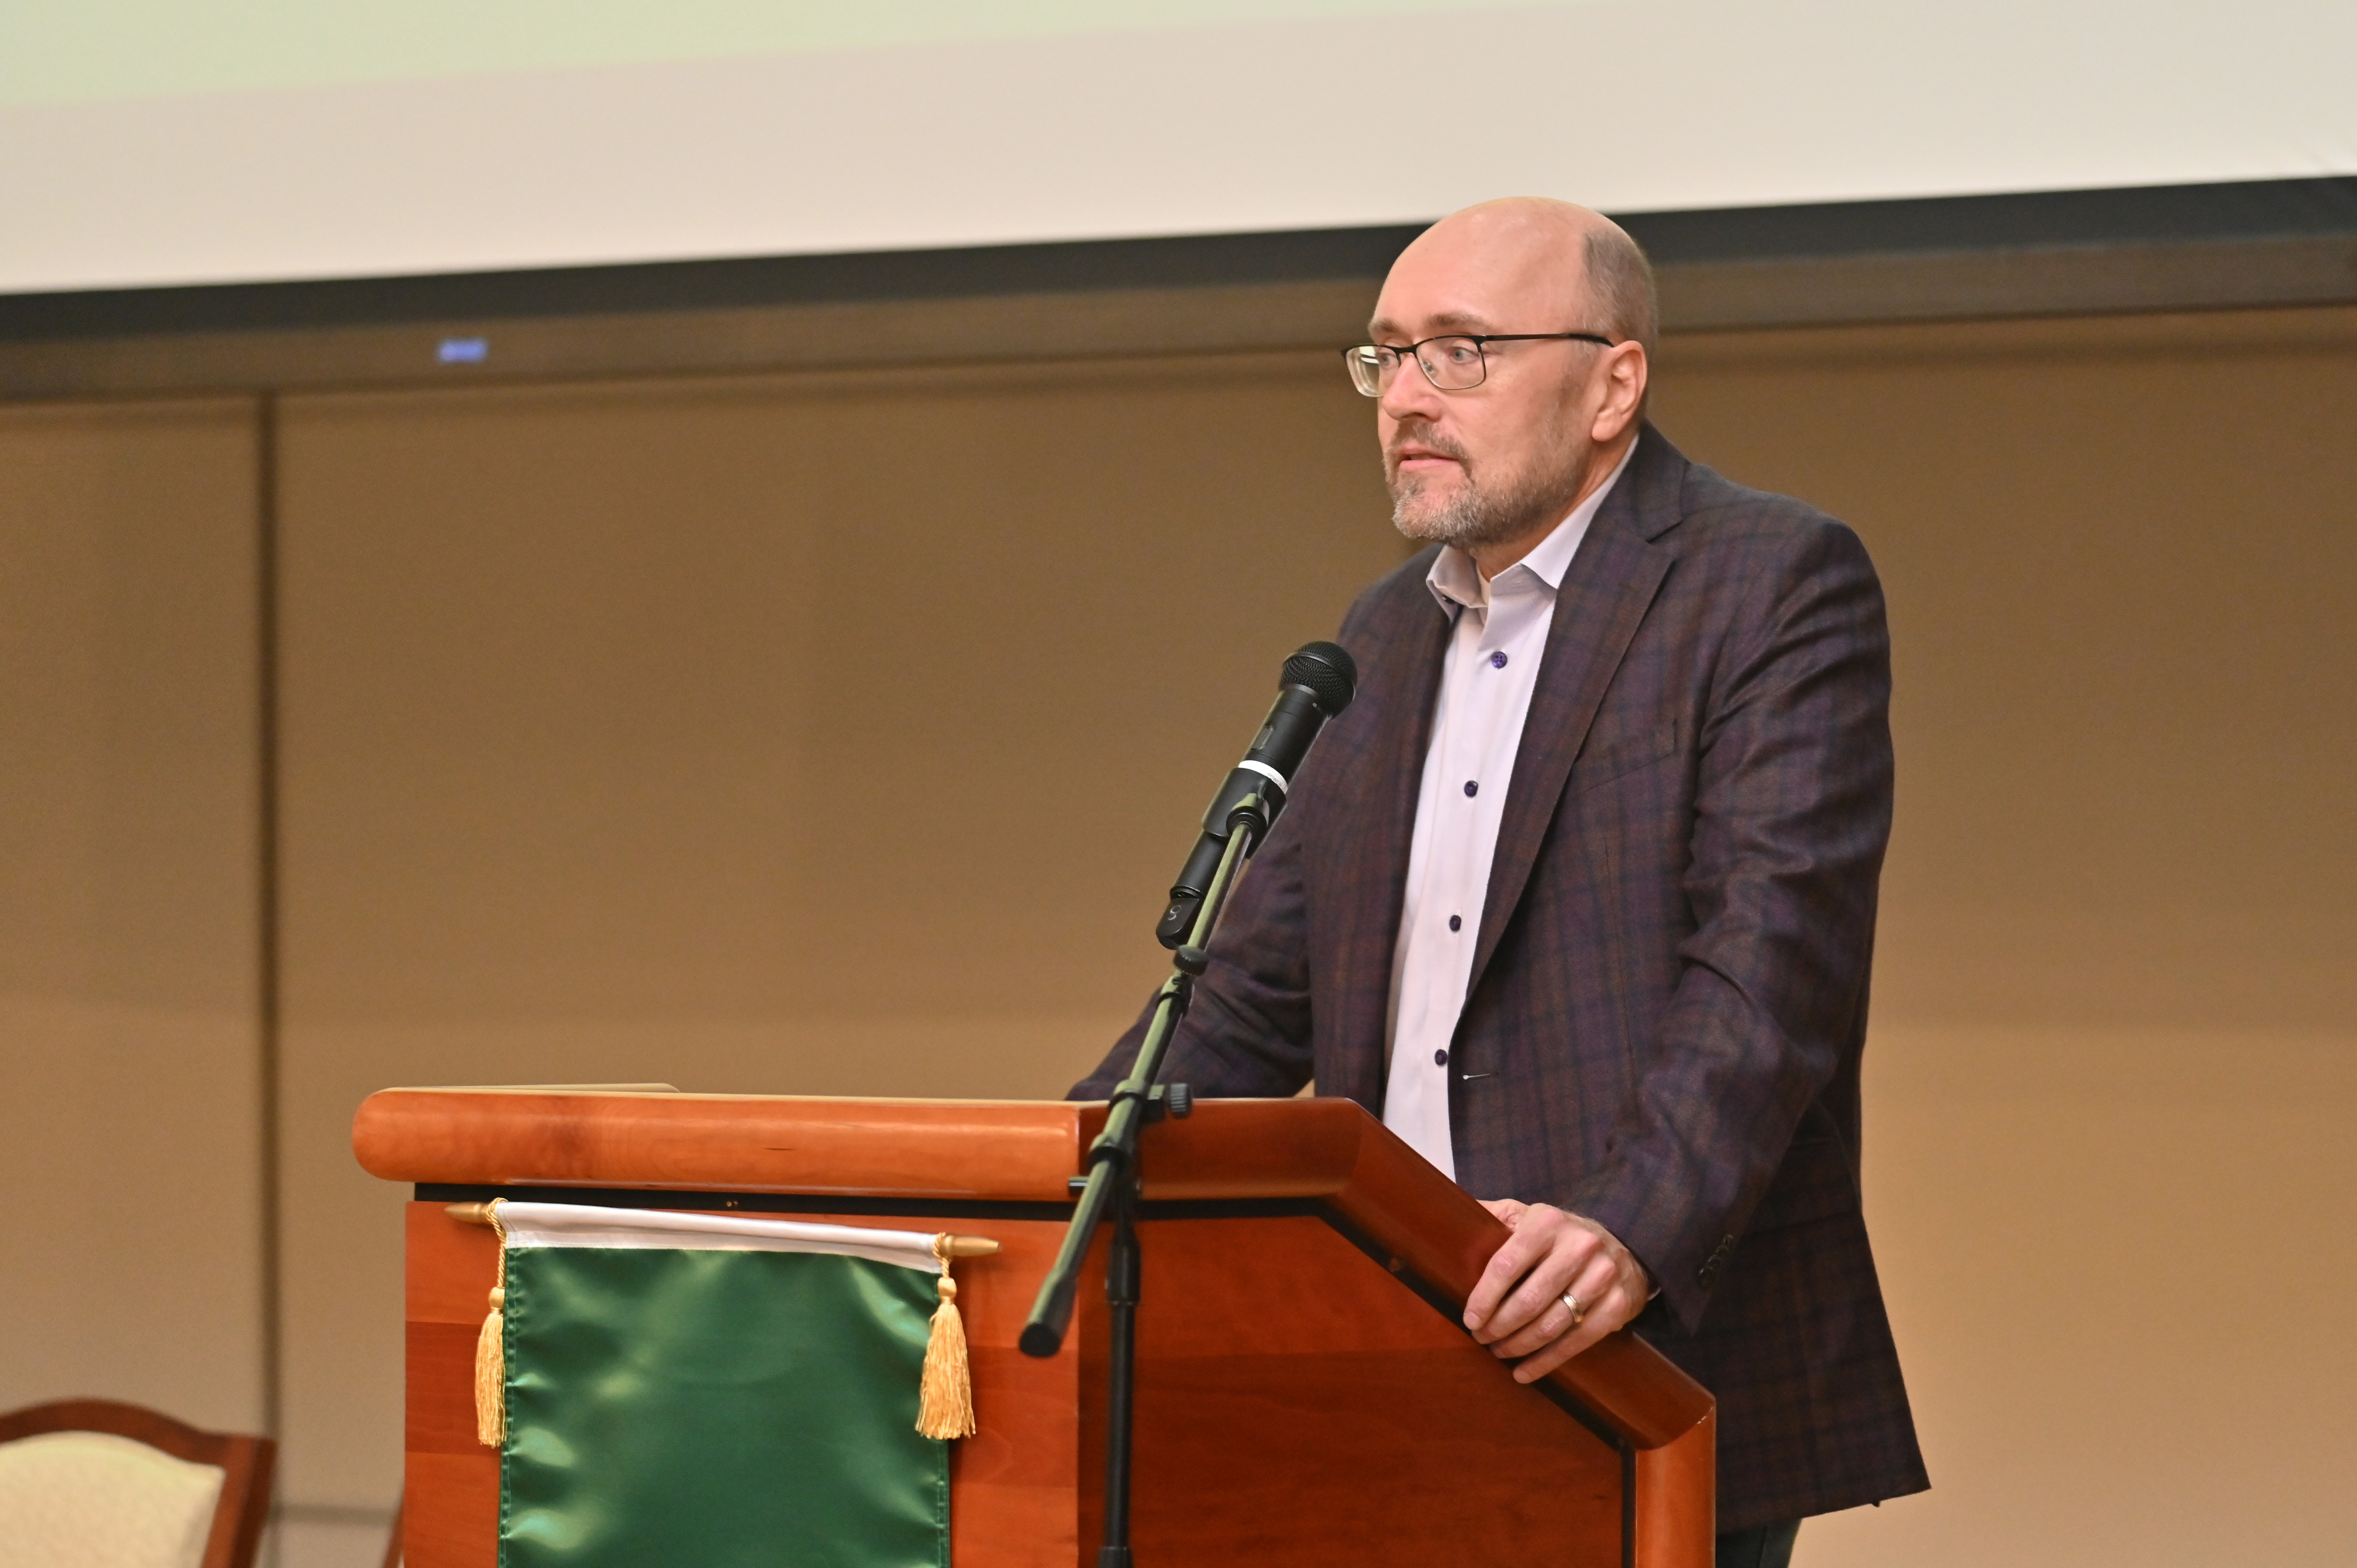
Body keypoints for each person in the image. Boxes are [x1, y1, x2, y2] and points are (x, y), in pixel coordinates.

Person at [1072, 197, 1927, 1564]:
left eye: (1461, 351)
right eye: (1387, 356)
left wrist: (1623, 1231)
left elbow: (1771, 973)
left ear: (1614, 383)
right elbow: (1246, 996)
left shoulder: (1766, 584)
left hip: (1628, 1350)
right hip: (1379, 1343)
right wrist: (1049, 1180)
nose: (1407, 395)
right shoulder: (1384, 634)